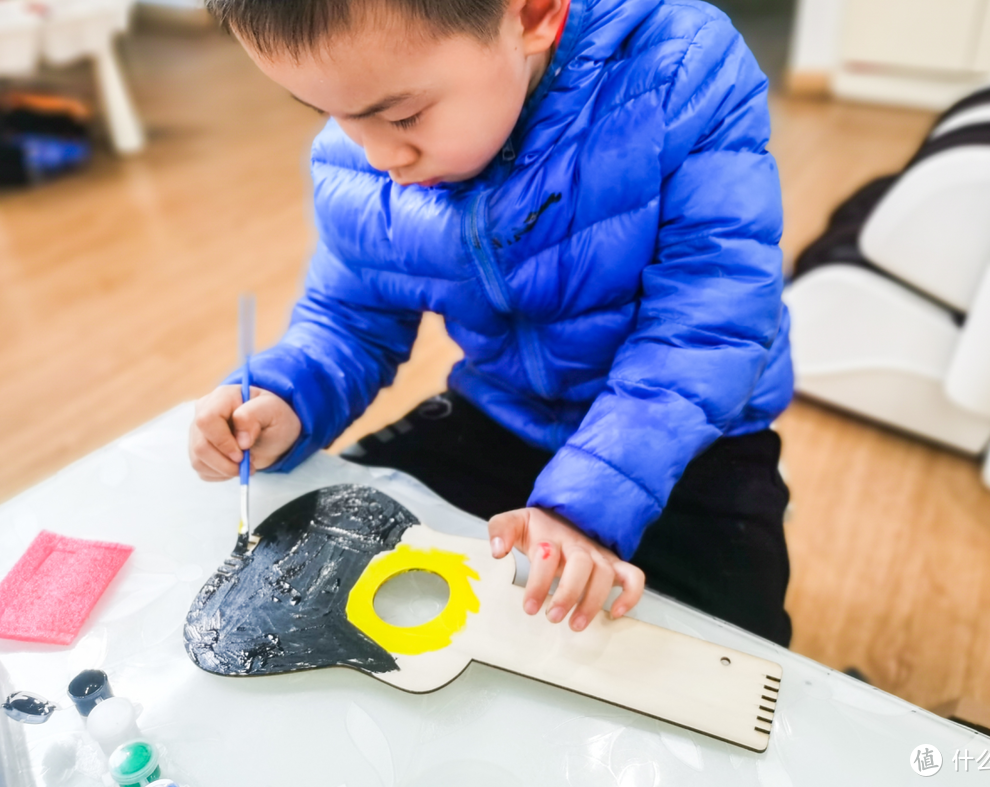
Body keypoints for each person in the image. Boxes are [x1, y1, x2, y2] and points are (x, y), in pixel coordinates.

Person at [188, 0, 794, 646]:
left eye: (401, 115)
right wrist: (287, 394)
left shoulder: (680, 68)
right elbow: (347, 318)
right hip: (502, 412)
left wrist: (583, 504)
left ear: (534, 15)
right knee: (325, 561)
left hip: (687, 434)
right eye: (328, 112)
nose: (379, 153)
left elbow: (710, 324)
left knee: (732, 650)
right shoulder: (359, 152)